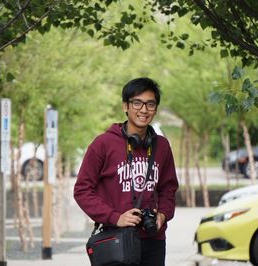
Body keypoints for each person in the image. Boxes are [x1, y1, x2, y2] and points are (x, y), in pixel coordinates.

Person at [74, 77, 179, 266]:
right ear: (125, 106)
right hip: (115, 239)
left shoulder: (162, 146)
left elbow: (168, 188)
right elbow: (82, 190)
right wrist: (116, 217)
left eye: (150, 104)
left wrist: (162, 215)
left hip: (153, 240)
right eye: (137, 103)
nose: (144, 110)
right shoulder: (103, 143)